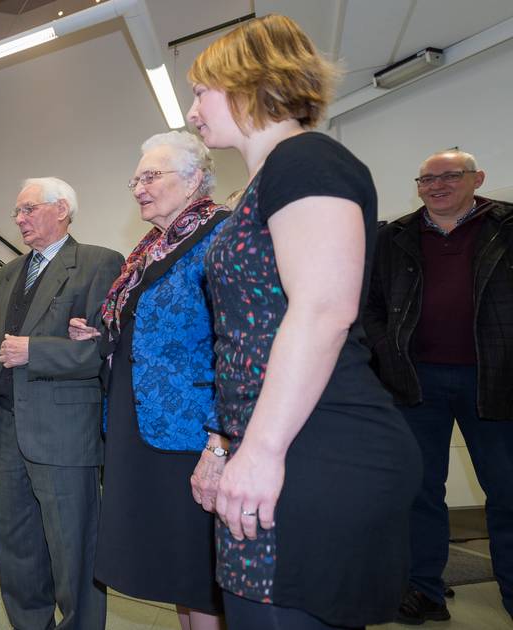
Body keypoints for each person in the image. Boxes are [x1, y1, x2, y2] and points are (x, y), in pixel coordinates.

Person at [185, 14, 421, 629]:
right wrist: (222, 444)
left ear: (246, 82)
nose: (192, 110)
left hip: (317, 444)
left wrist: (259, 452)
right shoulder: (267, 181)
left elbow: (323, 309)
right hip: (278, 442)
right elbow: (247, 339)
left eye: (200, 91)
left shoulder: (308, 160)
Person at [68, 131, 231, 630]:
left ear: (195, 179)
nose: (139, 186)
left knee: (198, 567)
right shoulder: (151, 248)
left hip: (191, 430)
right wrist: (101, 333)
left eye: (151, 176)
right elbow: (151, 328)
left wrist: (220, 440)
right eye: (136, 178)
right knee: (173, 567)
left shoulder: (221, 236)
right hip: (138, 424)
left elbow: (239, 344)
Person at [363, 149, 513, 624]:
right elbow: (371, 305)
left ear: (477, 178)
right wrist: (388, 353)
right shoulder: (395, 236)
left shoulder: (506, 227)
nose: (438, 186)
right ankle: (424, 589)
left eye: (450, 176)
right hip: (415, 380)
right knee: (419, 489)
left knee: (508, 490)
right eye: (428, 180)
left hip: (495, 379)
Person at [0, 177, 123, 629]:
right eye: (17, 212)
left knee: (73, 546)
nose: (19, 220)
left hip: (64, 433)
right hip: (8, 430)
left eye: (28, 209)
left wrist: (36, 350)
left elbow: (104, 350)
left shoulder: (98, 263)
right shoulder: (8, 273)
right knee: (16, 547)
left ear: (61, 209)